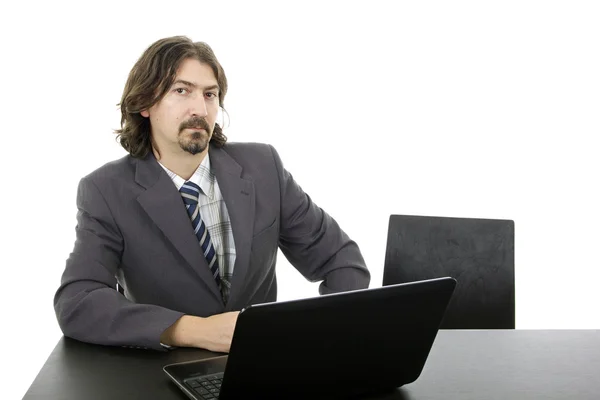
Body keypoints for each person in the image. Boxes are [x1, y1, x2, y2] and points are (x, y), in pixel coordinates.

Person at [54, 36, 370, 353]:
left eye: (210, 94)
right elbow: (78, 301)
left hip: (260, 369)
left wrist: (317, 337)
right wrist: (191, 331)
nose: (200, 109)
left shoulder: (263, 167)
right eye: (181, 91)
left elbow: (342, 260)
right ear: (146, 104)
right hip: (161, 374)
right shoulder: (106, 190)